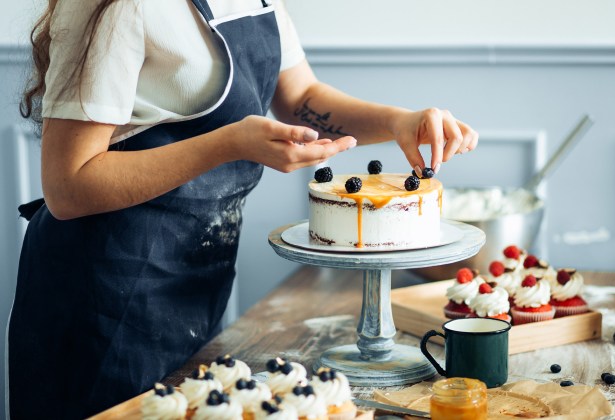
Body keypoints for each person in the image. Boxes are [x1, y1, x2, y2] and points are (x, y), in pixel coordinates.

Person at [8, 0, 479, 418]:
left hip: (195, 284)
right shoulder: (111, 6)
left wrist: (400, 121)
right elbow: (68, 187)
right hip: (100, 296)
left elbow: (301, 100)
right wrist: (229, 143)